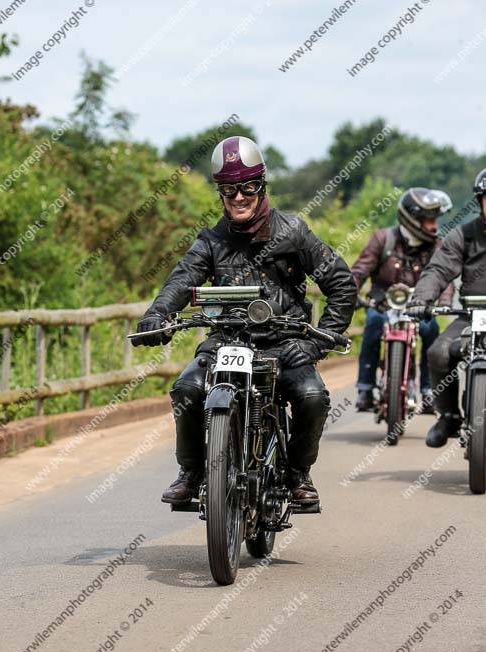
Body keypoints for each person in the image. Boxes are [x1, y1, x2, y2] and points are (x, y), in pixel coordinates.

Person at [133, 136, 357, 506]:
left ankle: (298, 474)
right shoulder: (210, 241)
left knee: (312, 396)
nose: (239, 197)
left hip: (285, 344)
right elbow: (181, 279)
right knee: (187, 389)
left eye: (247, 187)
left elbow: (341, 283)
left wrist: (318, 341)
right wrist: (158, 314)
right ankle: (191, 472)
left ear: (261, 186)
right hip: (227, 340)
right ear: (220, 193)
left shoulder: (293, 232)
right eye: (229, 189)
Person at [351, 188, 453, 412]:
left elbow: (445, 277)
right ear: (412, 219)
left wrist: (444, 302)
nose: (434, 226)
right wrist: (349, 294)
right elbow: (359, 271)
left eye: (435, 219)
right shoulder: (383, 238)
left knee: (430, 330)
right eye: (428, 220)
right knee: (373, 324)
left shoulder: (436, 245)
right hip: (382, 303)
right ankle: (365, 388)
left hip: (419, 305)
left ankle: (428, 390)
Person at [407, 169, 486, 447]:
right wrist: (421, 299)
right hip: (471, 315)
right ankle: (450, 416)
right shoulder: (462, 236)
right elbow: (438, 270)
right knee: (439, 351)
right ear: (480, 201)